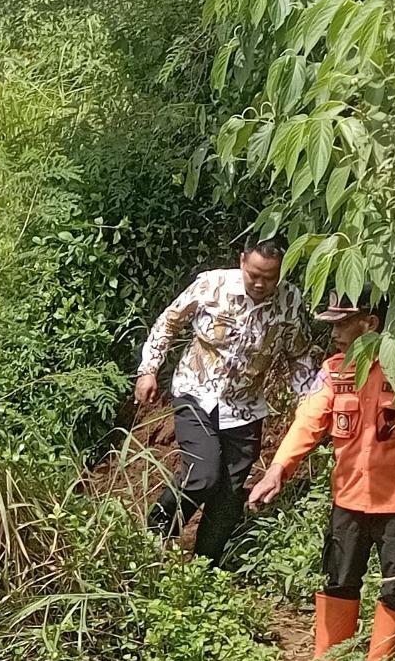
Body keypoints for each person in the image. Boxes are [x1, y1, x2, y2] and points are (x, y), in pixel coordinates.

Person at [248, 295, 395, 661]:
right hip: (348, 498)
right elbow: (310, 418)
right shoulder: (334, 371)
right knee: (338, 579)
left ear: (370, 323)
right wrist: (279, 468)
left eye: (342, 324)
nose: (334, 334)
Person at [133, 239, 310, 561]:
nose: (260, 283)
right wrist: (148, 370)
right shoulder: (212, 285)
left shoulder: (290, 301)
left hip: (245, 407)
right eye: (254, 273)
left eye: (269, 277)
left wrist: (308, 403)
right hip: (196, 393)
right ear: (242, 261)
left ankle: (206, 566)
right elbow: (168, 322)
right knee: (202, 474)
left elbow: (298, 355)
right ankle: (155, 532)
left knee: (229, 496)